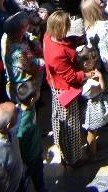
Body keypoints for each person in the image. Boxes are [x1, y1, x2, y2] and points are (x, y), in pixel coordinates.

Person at [42, 11, 85, 168]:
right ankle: (74, 159)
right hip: (65, 89)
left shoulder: (47, 37)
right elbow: (71, 77)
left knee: (58, 119)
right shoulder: (57, 53)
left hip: (55, 86)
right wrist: (85, 74)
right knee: (71, 125)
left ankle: (64, 152)